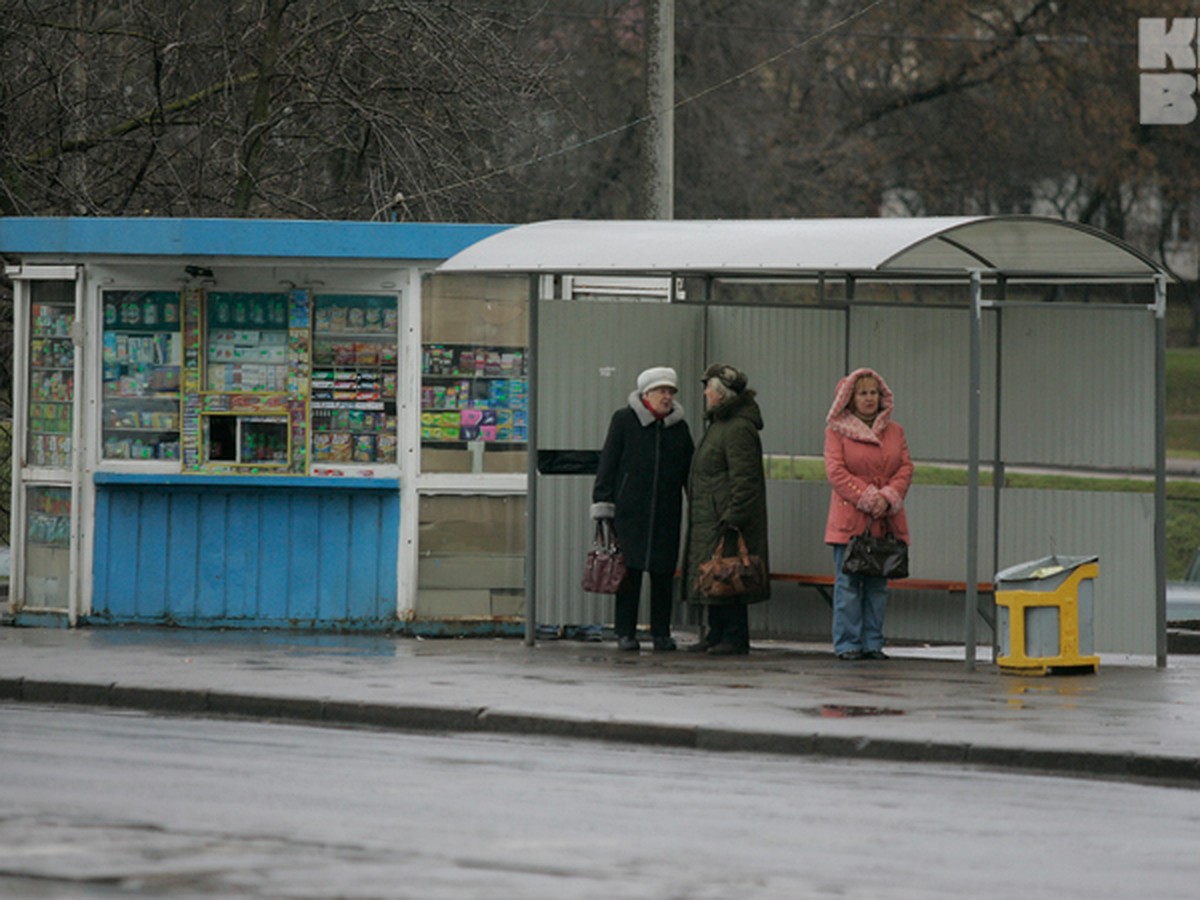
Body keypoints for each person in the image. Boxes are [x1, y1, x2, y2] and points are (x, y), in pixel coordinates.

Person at [592, 366, 694, 651]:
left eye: (671, 392)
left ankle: (661, 632)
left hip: (666, 512)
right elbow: (608, 464)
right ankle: (625, 632)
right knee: (629, 574)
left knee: (663, 575)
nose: (667, 397)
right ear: (646, 394)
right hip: (630, 512)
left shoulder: (679, 428)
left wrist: (696, 503)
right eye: (662, 391)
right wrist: (603, 503)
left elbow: (689, 471)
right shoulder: (624, 420)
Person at [823, 367, 913, 661]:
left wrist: (889, 496)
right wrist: (866, 496)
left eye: (873, 392)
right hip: (850, 521)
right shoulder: (836, 432)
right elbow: (835, 471)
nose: (869, 398)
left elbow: (905, 467)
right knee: (848, 585)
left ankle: (872, 643)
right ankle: (848, 643)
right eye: (862, 393)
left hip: (885, 520)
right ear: (849, 398)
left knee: (877, 585)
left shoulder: (895, 431)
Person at [681, 363, 770, 655]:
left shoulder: (737, 428)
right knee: (715, 574)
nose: (705, 392)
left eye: (708, 387)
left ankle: (733, 636)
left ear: (721, 393)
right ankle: (716, 633)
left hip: (727, 516)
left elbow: (746, 479)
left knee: (730, 575)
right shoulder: (721, 424)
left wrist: (734, 515)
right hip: (712, 513)